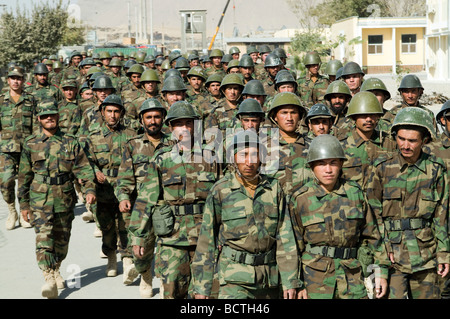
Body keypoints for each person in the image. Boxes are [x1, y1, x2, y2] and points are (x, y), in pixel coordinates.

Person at [128, 101, 221, 299]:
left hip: (206, 237)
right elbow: (146, 199)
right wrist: (139, 236)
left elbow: (226, 197)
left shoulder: (213, 158)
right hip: (172, 239)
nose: (185, 129)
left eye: (189, 123)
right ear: (170, 127)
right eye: (179, 124)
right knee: (172, 292)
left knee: (209, 294)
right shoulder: (162, 160)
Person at [192, 130, 300, 299]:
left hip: (269, 279)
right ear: (234, 158)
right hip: (234, 279)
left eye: (254, 155)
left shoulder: (274, 188)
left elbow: (285, 237)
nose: (249, 162)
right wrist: (201, 286)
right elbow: (207, 240)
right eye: (243, 155)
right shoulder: (221, 190)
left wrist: (290, 280)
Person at [289, 134, 390, 299]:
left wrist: (381, 272)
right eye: (321, 164)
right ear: (312, 166)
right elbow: (293, 246)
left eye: (333, 163)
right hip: (314, 282)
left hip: (352, 279)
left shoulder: (354, 193)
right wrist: (297, 283)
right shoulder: (301, 198)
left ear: (341, 164)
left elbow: (373, 237)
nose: (328, 170)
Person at [366, 107, 450, 299]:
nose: (405, 145)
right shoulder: (382, 168)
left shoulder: (435, 169)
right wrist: (381, 258)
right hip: (392, 257)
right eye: (401, 139)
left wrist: (444, 252)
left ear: (424, 141)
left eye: (412, 141)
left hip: (426, 256)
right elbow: (372, 218)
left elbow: (441, 215)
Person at [18, 100, 96, 299]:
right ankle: (48, 278)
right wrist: (24, 204)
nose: (49, 118)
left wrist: (88, 189)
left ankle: (56, 268)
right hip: (39, 199)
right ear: (39, 119)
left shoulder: (70, 142)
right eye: (44, 116)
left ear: (58, 117)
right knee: (44, 239)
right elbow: (24, 176)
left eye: (52, 115)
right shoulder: (31, 143)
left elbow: (84, 168)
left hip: (64, 197)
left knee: (62, 241)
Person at [115, 98, 172, 297]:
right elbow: (123, 178)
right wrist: (123, 196)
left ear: (163, 118)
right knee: (141, 251)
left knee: (169, 249)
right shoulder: (133, 146)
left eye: (157, 116)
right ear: (141, 120)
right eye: (148, 117)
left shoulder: (174, 143)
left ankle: (166, 282)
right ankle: (145, 275)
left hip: (168, 205)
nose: (153, 121)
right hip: (142, 207)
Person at [84, 94, 136, 280]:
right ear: (102, 112)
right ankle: (111, 257)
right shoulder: (93, 137)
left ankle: (128, 259)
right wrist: (95, 170)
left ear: (121, 113)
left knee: (126, 226)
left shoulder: (131, 135)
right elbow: (85, 162)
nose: (113, 115)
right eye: (109, 111)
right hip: (104, 190)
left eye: (116, 111)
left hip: (126, 190)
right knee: (107, 229)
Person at [0, 66, 36, 230]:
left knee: (25, 183)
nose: (16, 81)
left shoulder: (30, 99)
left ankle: (24, 213)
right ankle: (12, 211)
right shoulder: (1, 100)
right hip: (6, 150)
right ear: (8, 80)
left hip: (26, 149)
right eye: (13, 78)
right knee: (6, 182)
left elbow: (37, 124)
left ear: (23, 80)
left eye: (19, 78)